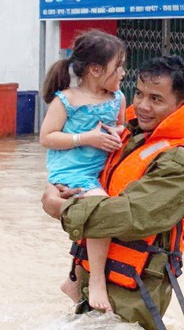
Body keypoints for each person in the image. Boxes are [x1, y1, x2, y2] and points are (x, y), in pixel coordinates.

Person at [42, 56, 184, 329]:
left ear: (181, 105)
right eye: (139, 94)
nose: (142, 106)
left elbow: (132, 215)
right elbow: (83, 170)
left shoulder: (181, 160)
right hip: (95, 277)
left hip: (133, 290)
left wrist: (59, 208)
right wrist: (55, 187)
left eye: (156, 99)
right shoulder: (129, 134)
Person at [40, 30, 127, 312]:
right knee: (99, 212)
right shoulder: (66, 100)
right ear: (94, 69)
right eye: (119, 67)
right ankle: (96, 281)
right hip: (69, 172)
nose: (123, 73)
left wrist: (117, 133)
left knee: (94, 217)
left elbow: (123, 126)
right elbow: (47, 137)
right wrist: (85, 138)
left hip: (99, 171)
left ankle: (73, 281)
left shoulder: (118, 98)